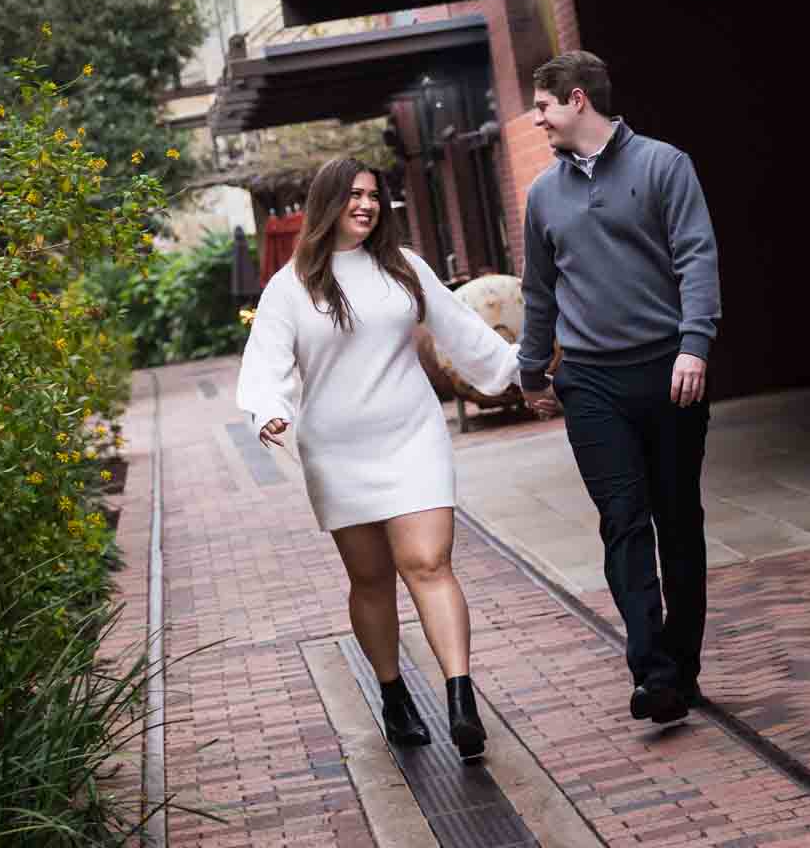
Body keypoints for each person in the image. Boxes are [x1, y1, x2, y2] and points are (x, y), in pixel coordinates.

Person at [237, 154, 519, 760]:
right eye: (352, 195)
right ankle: (393, 694)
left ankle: (461, 700)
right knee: (370, 580)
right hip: (338, 451)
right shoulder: (291, 287)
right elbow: (265, 367)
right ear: (327, 205)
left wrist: (519, 378)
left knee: (428, 562)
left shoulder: (404, 268)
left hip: (412, 436)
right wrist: (268, 412)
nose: (364, 205)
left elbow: (463, 332)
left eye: (372, 195)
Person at [517, 51, 721, 728]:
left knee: (676, 521)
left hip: (667, 372)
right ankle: (651, 673)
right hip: (591, 382)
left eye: (542, 105)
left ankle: (681, 664)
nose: (535, 117)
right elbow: (539, 289)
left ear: (577, 100)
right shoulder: (542, 194)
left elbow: (696, 254)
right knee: (622, 522)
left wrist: (694, 344)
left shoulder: (664, 165)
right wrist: (528, 368)